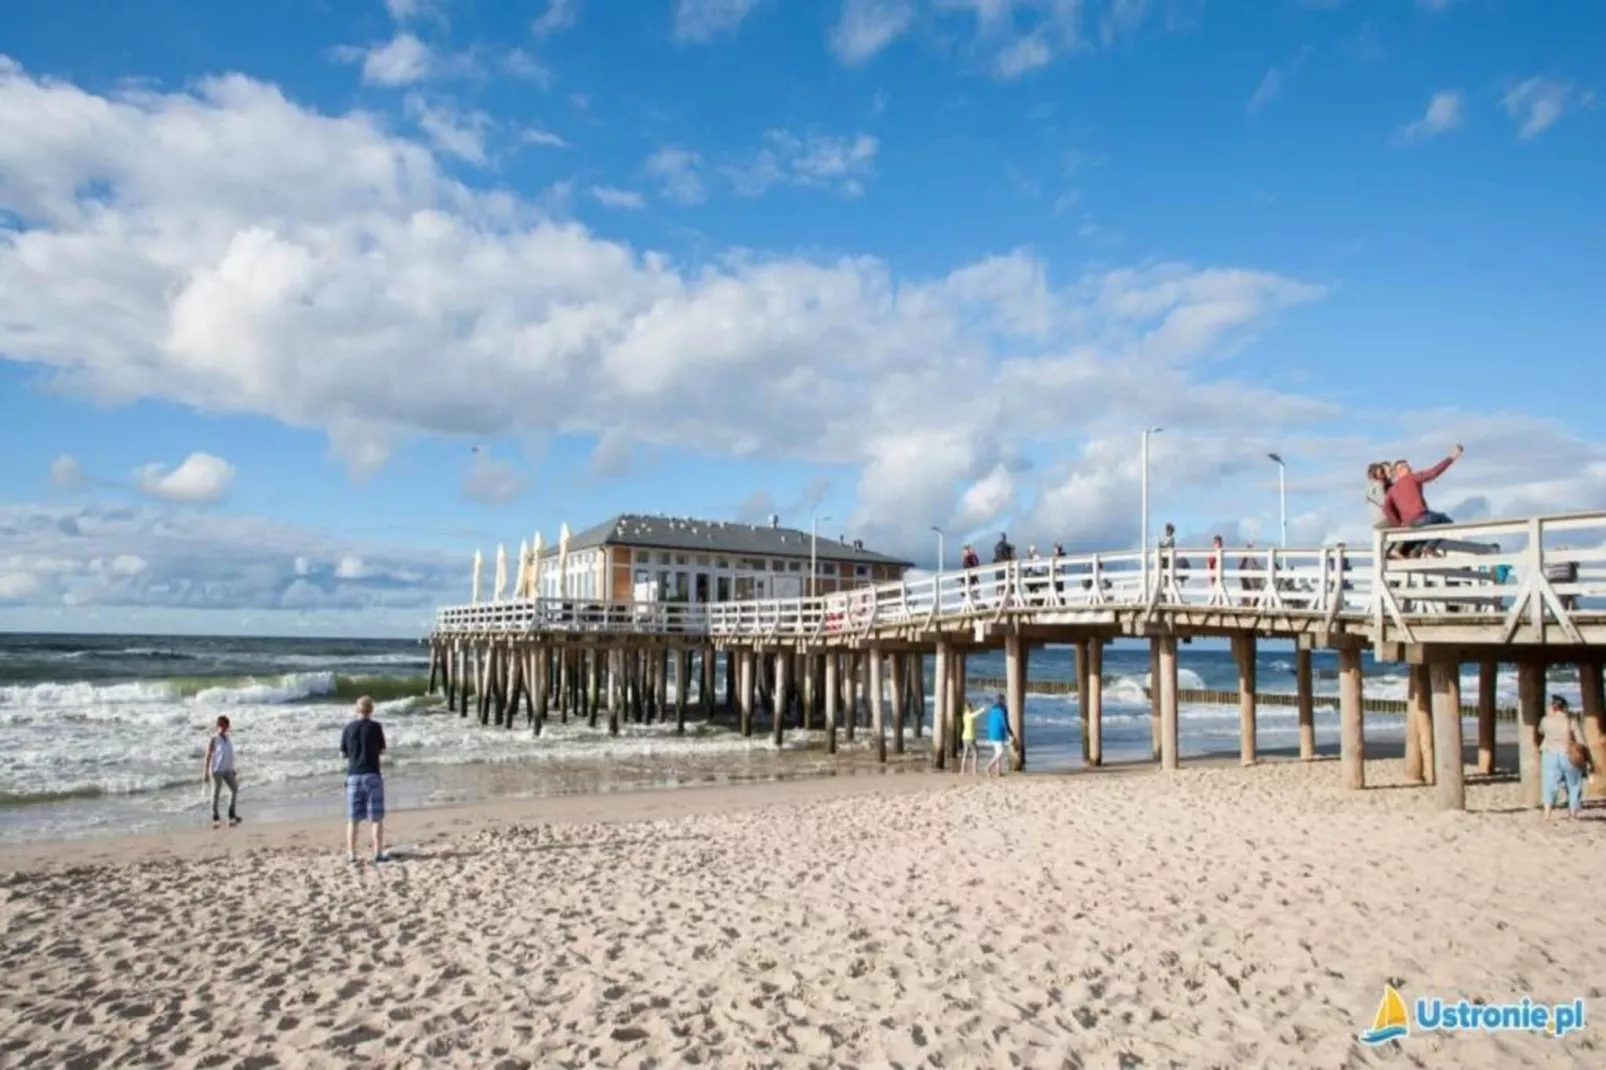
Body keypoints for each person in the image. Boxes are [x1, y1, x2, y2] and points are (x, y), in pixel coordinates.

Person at [1383, 446, 1464, 554]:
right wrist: (1451, 458)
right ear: (1400, 470)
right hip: (1421, 517)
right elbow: (1433, 473)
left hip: (1408, 523)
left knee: (1427, 530)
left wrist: (1398, 524)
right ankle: (1430, 547)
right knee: (1446, 521)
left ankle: (1418, 550)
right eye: (1407, 467)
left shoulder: (1392, 489)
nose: (1411, 468)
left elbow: (1386, 508)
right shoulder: (1412, 477)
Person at [341, 695, 390, 864]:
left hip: (354, 775)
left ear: (357, 709)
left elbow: (343, 754)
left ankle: (352, 854)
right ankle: (377, 853)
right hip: (372, 774)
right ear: (371, 710)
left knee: (353, 820)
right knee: (376, 818)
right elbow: (382, 750)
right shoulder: (376, 727)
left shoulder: (348, 728)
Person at [1539, 695, 1588, 820]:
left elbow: (1541, 731)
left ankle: (1547, 814)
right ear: (1565, 707)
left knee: (1549, 784)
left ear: (1553, 707)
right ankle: (1572, 815)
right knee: (1574, 785)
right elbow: (1580, 740)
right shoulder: (1571, 721)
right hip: (1568, 754)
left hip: (1549, 754)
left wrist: (1549, 715)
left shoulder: (1546, 720)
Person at [202, 715, 241, 828]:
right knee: (216, 794)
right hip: (217, 770)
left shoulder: (227, 738)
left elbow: (230, 755)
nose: (225, 728)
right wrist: (205, 773)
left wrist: (232, 768)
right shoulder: (214, 739)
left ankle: (231, 813)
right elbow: (208, 756)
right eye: (223, 725)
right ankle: (215, 816)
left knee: (234, 789)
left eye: (226, 725)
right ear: (218, 726)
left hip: (227, 770)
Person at [983, 693, 1013, 777]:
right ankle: (988, 767)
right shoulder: (1003, 709)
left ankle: (998, 771)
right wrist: (1010, 733)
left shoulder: (992, 709)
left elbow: (991, 721)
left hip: (992, 732)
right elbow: (1005, 722)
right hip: (998, 733)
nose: (1006, 701)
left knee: (997, 752)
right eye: (1005, 700)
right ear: (1002, 700)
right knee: (1000, 752)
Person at [959, 703, 982, 775]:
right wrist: (981, 710)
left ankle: (962, 771)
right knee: (976, 753)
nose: (972, 708)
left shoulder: (965, 715)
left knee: (965, 753)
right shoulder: (969, 715)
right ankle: (974, 771)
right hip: (970, 737)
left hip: (964, 737)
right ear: (969, 708)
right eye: (971, 707)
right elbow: (974, 715)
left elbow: (973, 716)